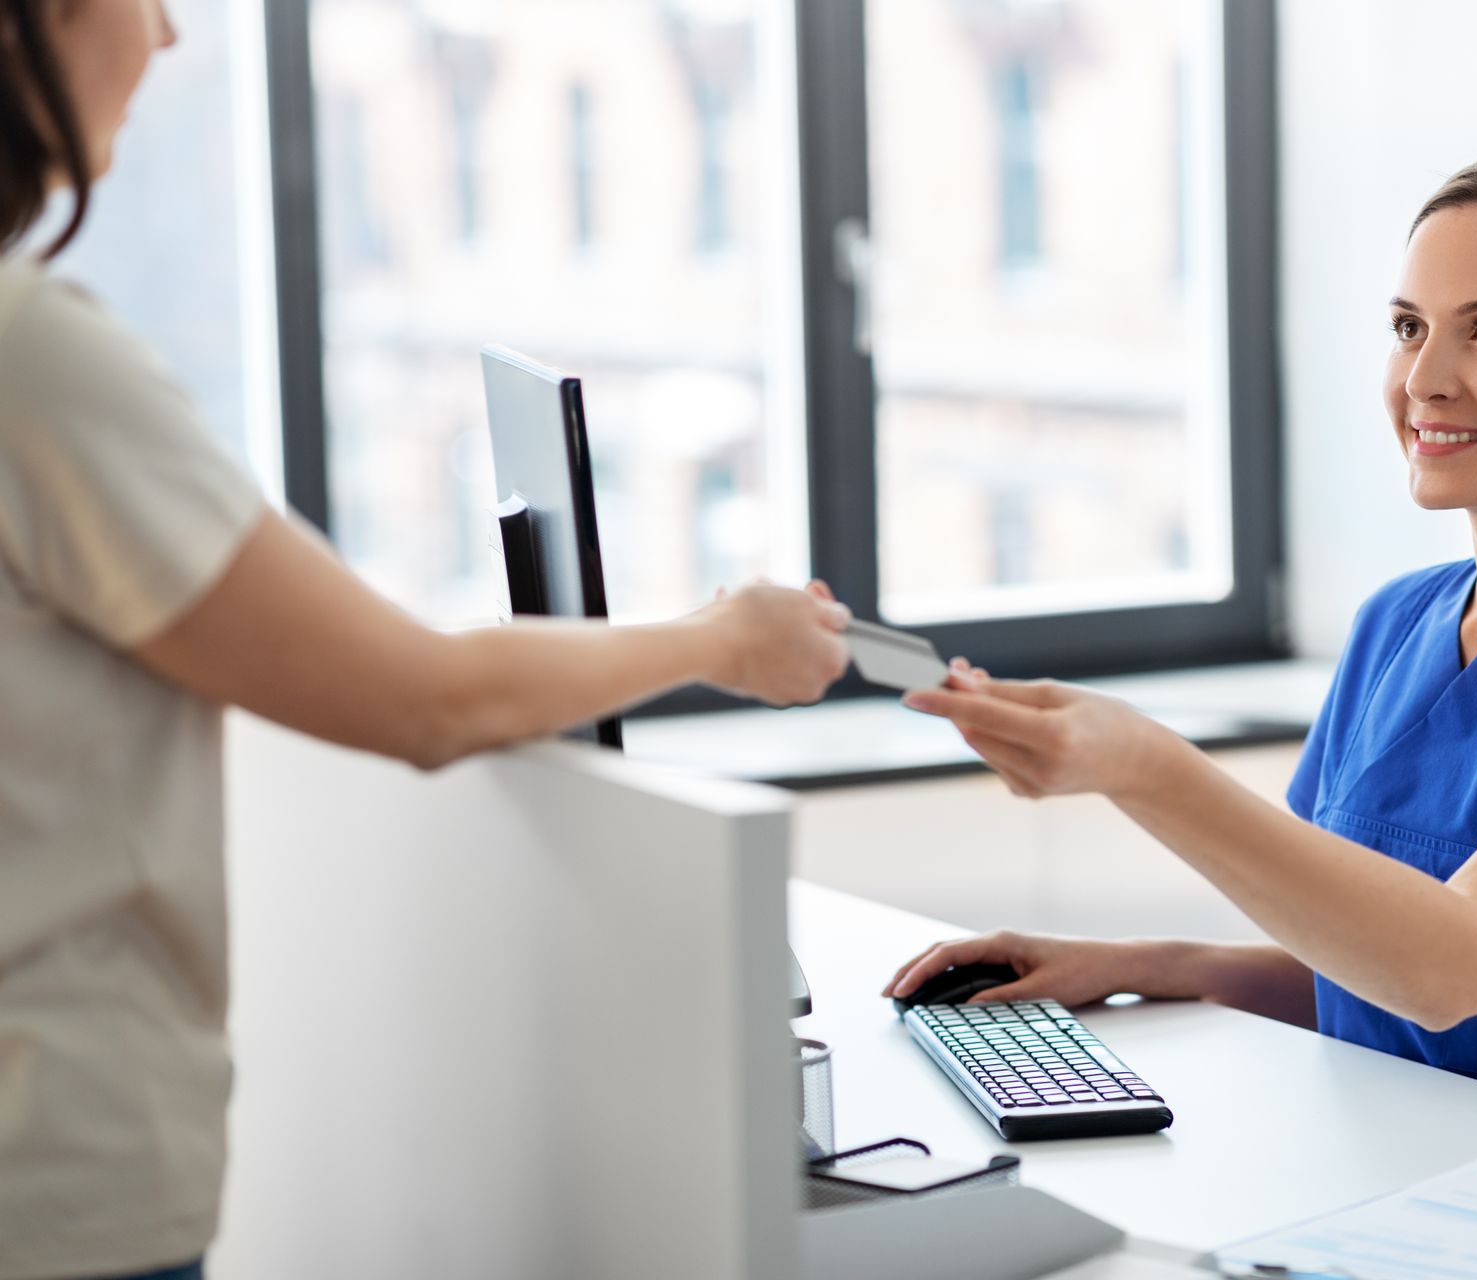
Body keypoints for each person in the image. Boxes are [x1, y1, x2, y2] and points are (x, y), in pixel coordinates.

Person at [0, 3, 850, 1277]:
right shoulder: (34, 356)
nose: (170, 37)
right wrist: (721, 637)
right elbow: (423, 696)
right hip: (58, 1173)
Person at [890, 150, 1477, 1172]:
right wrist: (1150, 963)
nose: (1425, 378)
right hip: (1418, 1176)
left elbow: (1458, 962)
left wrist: (1144, 767)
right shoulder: (1392, 627)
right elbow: (1370, 952)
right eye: (1409, 326)